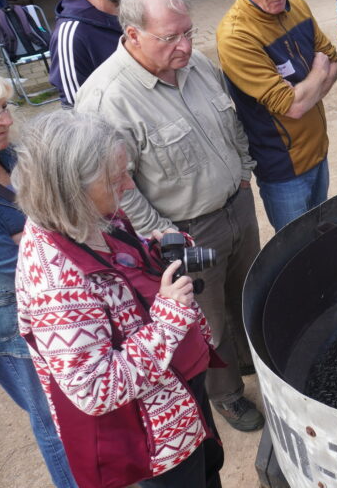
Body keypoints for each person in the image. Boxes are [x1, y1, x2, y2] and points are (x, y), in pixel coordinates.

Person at [74, 0, 265, 433]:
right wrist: (165, 234)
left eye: (188, 32)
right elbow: (116, 189)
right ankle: (227, 395)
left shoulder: (195, 63)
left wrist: (241, 172)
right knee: (206, 321)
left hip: (236, 207)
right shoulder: (106, 100)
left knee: (247, 290)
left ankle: (247, 361)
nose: (185, 46)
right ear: (133, 34)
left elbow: (230, 123)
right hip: (185, 229)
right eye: (170, 37)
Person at [13, 111, 224, 488]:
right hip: (155, 436)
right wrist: (168, 320)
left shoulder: (80, 217)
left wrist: (149, 254)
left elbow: (112, 273)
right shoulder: (55, 284)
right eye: (116, 178)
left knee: (207, 472)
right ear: (69, 189)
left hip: (175, 395)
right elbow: (95, 390)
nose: (128, 185)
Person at [0, 76, 76, 488]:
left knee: (74, 405)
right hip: (10, 324)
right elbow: (13, 266)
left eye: (4, 107)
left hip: (47, 301)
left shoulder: (7, 156)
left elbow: (60, 211)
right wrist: (44, 232)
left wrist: (31, 234)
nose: (4, 120)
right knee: (52, 419)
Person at [218, 0, 337, 231]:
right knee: (294, 252)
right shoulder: (237, 36)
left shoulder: (296, 4)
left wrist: (307, 90)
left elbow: (333, 62)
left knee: (321, 238)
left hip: (318, 152)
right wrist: (316, 74)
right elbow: (294, 107)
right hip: (284, 169)